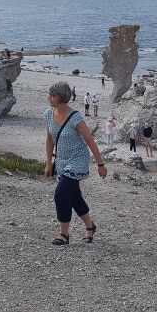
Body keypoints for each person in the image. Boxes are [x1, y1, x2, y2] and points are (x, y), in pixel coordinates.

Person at [44, 81, 107, 245]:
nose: (49, 98)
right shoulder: (48, 114)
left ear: (62, 97)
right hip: (61, 159)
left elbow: (90, 141)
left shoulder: (75, 117)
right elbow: (49, 139)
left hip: (78, 159)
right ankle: (90, 226)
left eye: (52, 95)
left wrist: (101, 165)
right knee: (73, 196)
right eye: (49, 95)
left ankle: (64, 234)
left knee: (61, 194)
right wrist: (49, 163)